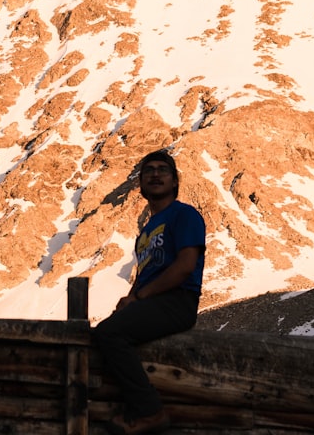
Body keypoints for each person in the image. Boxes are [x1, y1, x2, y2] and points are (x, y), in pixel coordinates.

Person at [93, 149, 206, 435]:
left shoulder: (184, 215)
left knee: (109, 334)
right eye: (148, 171)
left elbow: (185, 266)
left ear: (175, 181)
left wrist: (141, 298)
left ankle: (149, 411)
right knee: (107, 330)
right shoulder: (147, 231)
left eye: (162, 170)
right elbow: (147, 274)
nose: (155, 174)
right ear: (140, 183)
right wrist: (131, 298)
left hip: (178, 300)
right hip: (155, 301)